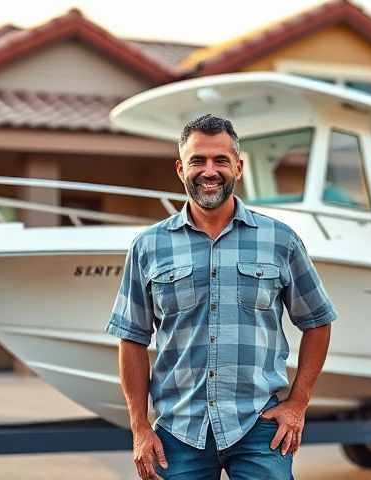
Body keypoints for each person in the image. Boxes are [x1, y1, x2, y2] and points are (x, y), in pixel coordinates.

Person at [106, 114, 337, 480]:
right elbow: (132, 338)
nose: (209, 170)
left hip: (260, 428)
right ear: (181, 169)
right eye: (198, 160)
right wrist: (139, 427)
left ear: (239, 168)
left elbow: (318, 321)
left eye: (220, 160)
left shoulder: (280, 240)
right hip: (179, 433)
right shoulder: (148, 247)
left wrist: (298, 402)